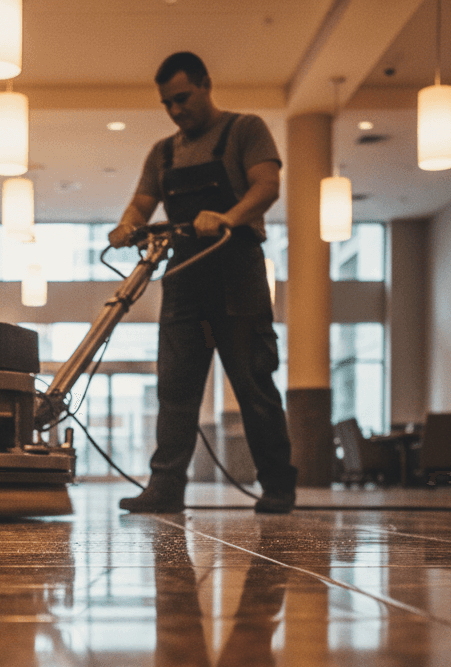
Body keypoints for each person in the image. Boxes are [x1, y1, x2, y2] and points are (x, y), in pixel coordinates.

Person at [109, 51, 297, 514]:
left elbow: (267, 185)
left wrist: (228, 218)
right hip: (183, 277)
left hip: (237, 272)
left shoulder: (245, 130)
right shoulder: (163, 152)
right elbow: (142, 202)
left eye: (182, 98)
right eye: (167, 104)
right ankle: (166, 487)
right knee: (174, 387)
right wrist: (127, 225)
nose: (175, 110)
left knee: (253, 382)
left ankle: (277, 486)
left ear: (206, 84)